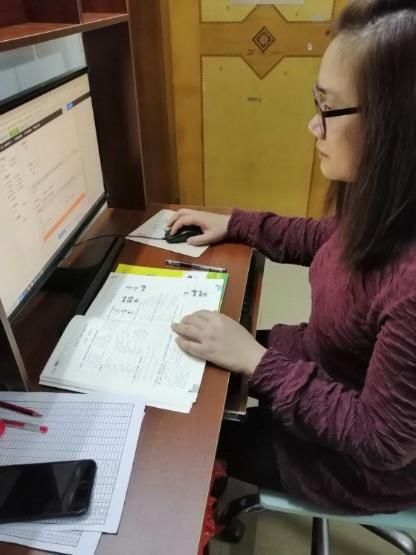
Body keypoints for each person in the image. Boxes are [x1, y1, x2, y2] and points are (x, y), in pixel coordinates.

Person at [169, 0, 416, 514]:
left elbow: (381, 440)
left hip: (347, 463)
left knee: (179, 429)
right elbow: (330, 238)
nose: (313, 125)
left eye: (328, 107)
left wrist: (257, 363)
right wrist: (237, 223)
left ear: (397, 123)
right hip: (316, 366)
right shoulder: (390, 204)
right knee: (186, 359)